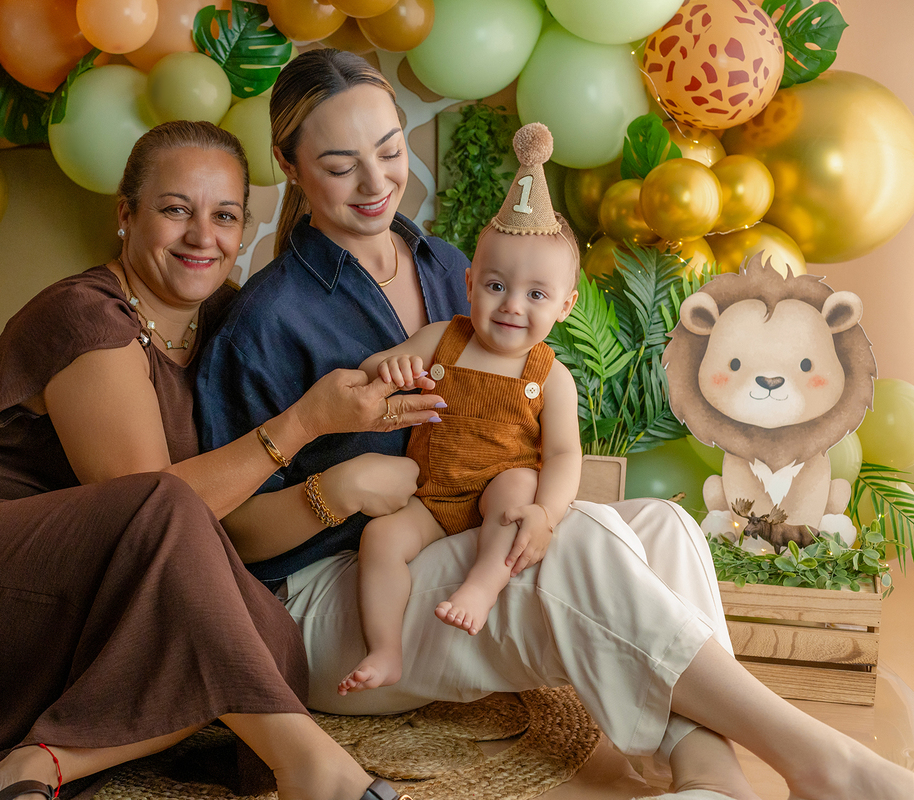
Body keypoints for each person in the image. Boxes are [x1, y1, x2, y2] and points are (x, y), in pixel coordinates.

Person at [195, 48, 914, 800]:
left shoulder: (446, 264)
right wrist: (336, 488)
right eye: (342, 166)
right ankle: (821, 761)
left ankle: (710, 776)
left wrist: (530, 497)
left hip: (452, 543)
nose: (377, 183)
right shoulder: (267, 321)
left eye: (389, 150)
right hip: (330, 603)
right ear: (289, 165)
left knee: (666, 527)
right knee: (578, 541)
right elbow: (223, 539)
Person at [0, 120, 438, 800]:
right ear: (126, 215)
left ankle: (38, 767)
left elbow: (210, 530)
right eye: (175, 210)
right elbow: (150, 510)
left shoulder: (228, 321)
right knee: (165, 508)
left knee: (271, 639)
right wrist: (306, 421)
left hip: (69, 599)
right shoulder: (86, 316)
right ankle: (313, 768)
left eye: (225, 216)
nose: (202, 236)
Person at [337, 122, 584, 697]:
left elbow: (564, 455)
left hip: (499, 496)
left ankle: (482, 585)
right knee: (380, 540)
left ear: (566, 305)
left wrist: (546, 513)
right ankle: (386, 649)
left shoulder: (550, 377)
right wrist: (392, 367)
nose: (512, 305)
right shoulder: (442, 340)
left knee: (518, 485)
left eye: (536, 295)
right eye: (496, 286)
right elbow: (374, 367)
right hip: (433, 496)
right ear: (470, 282)